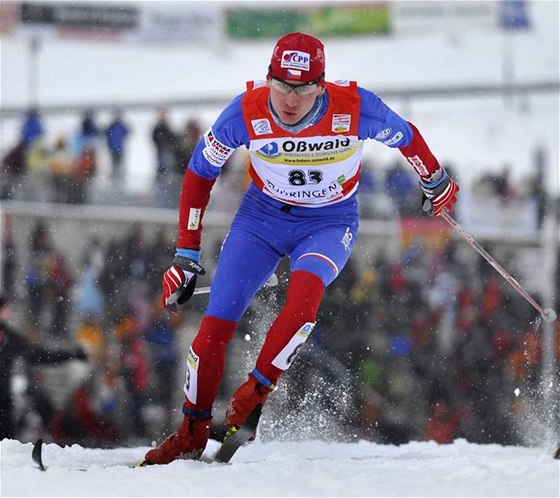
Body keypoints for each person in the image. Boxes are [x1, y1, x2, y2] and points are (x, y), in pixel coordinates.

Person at [143, 32, 459, 465]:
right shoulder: (245, 112)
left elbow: (406, 135)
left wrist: (434, 180)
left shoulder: (354, 107)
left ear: (321, 85)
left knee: (304, 306)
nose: (290, 100)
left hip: (329, 223)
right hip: (261, 220)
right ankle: (191, 431)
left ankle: (251, 397)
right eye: (282, 86)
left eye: (303, 88)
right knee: (213, 330)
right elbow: (199, 175)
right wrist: (186, 254)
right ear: (268, 80)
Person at [0, 294, 88, 440]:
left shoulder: (10, 337)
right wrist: (72, 354)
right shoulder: (9, 337)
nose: (9, 313)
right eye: (6, 309)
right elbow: (41, 355)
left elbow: (38, 354)